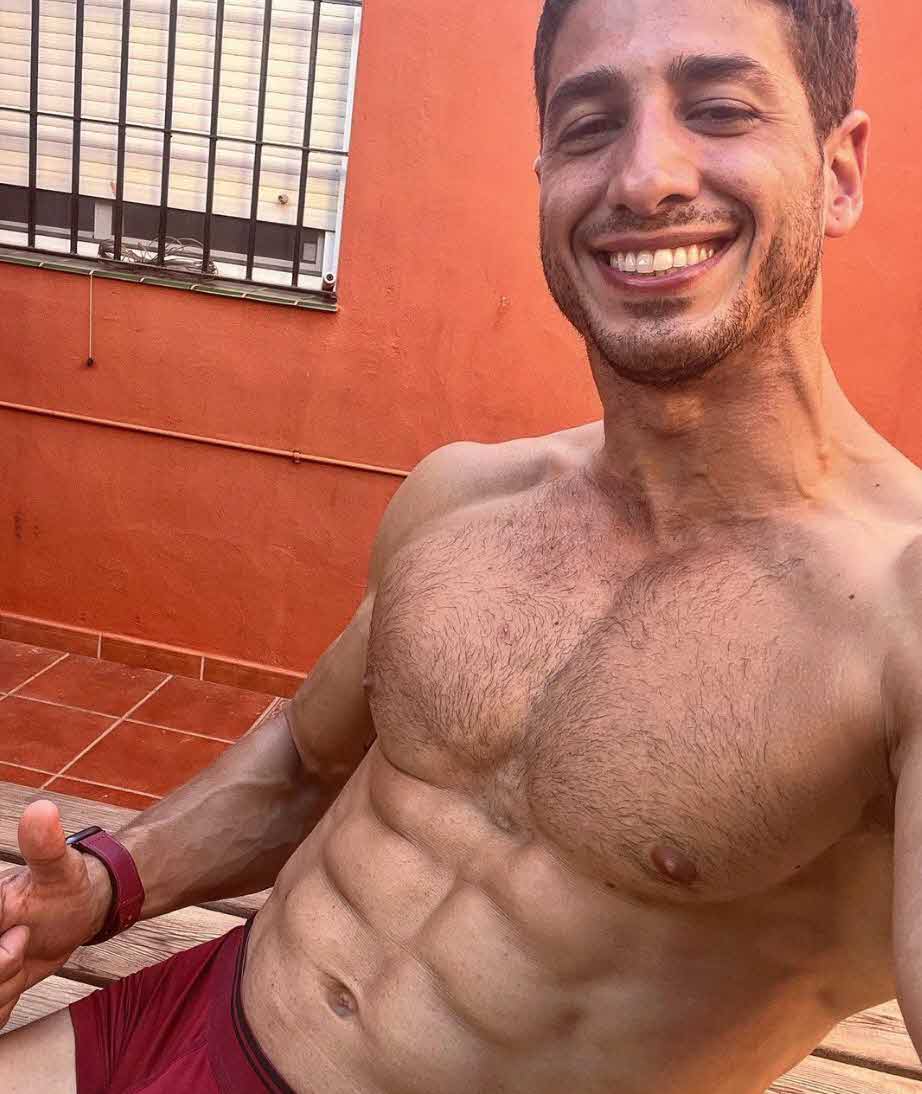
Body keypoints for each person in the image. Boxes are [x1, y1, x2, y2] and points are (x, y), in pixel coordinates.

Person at [3, 0, 921, 1090]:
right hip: (192, 1015)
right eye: (588, 125)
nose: (644, 178)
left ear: (838, 172)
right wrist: (105, 885)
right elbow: (305, 760)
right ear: (544, 179)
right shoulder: (464, 493)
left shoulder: (898, 616)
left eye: (719, 109)